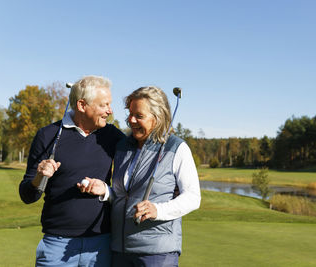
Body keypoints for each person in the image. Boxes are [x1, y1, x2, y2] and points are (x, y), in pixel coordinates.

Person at [80, 86, 201, 267]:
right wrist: (105, 191)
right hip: (120, 250)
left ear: (158, 118)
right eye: (130, 114)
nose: (131, 120)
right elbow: (124, 196)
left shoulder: (176, 148)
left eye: (139, 116)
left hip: (157, 254)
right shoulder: (123, 147)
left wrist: (158, 210)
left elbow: (193, 197)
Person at [19, 75, 125, 267]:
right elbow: (27, 195)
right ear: (82, 105)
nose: (110, 111)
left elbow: (131, 182)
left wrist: (105, 190)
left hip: (100, 245)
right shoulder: (48, 135)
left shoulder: (114, 137)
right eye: (104, 105)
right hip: (56, 246)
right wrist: (39, 177)